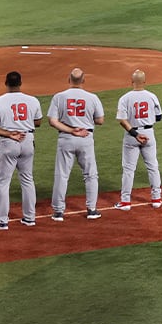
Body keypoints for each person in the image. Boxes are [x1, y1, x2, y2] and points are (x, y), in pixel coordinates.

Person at [0, 71, 42, 230]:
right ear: (21, 83)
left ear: (6, 83)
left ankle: (2, 221)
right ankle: (30, 218)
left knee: (3, 182)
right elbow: (38, 122)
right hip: (28, 140)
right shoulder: (32, 100)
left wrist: (9, 133)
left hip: (9, 142)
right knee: (27, 179)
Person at [48, 67, 105, 221]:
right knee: (90, 174)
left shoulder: (59, 97)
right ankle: (92, 210)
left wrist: (71, 130)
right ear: (84, 80)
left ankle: (58, 212)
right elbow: (100, 120)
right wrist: (85, 122)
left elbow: (52, 121)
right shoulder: (92, 97)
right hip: (86, 138)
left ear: (69, 79)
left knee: (62, 175)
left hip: (66, 138)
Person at [114, 70, 162, 210]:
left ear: (132, 82)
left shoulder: (125, 98)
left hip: (131, 134)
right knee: (153, 166)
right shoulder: (152, 96)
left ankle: (125, 202)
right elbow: (159, 117)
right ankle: (156, 199)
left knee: (129, 169)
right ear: (145, 82)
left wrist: (135, 133)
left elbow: (122, 120)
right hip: (148, 134)